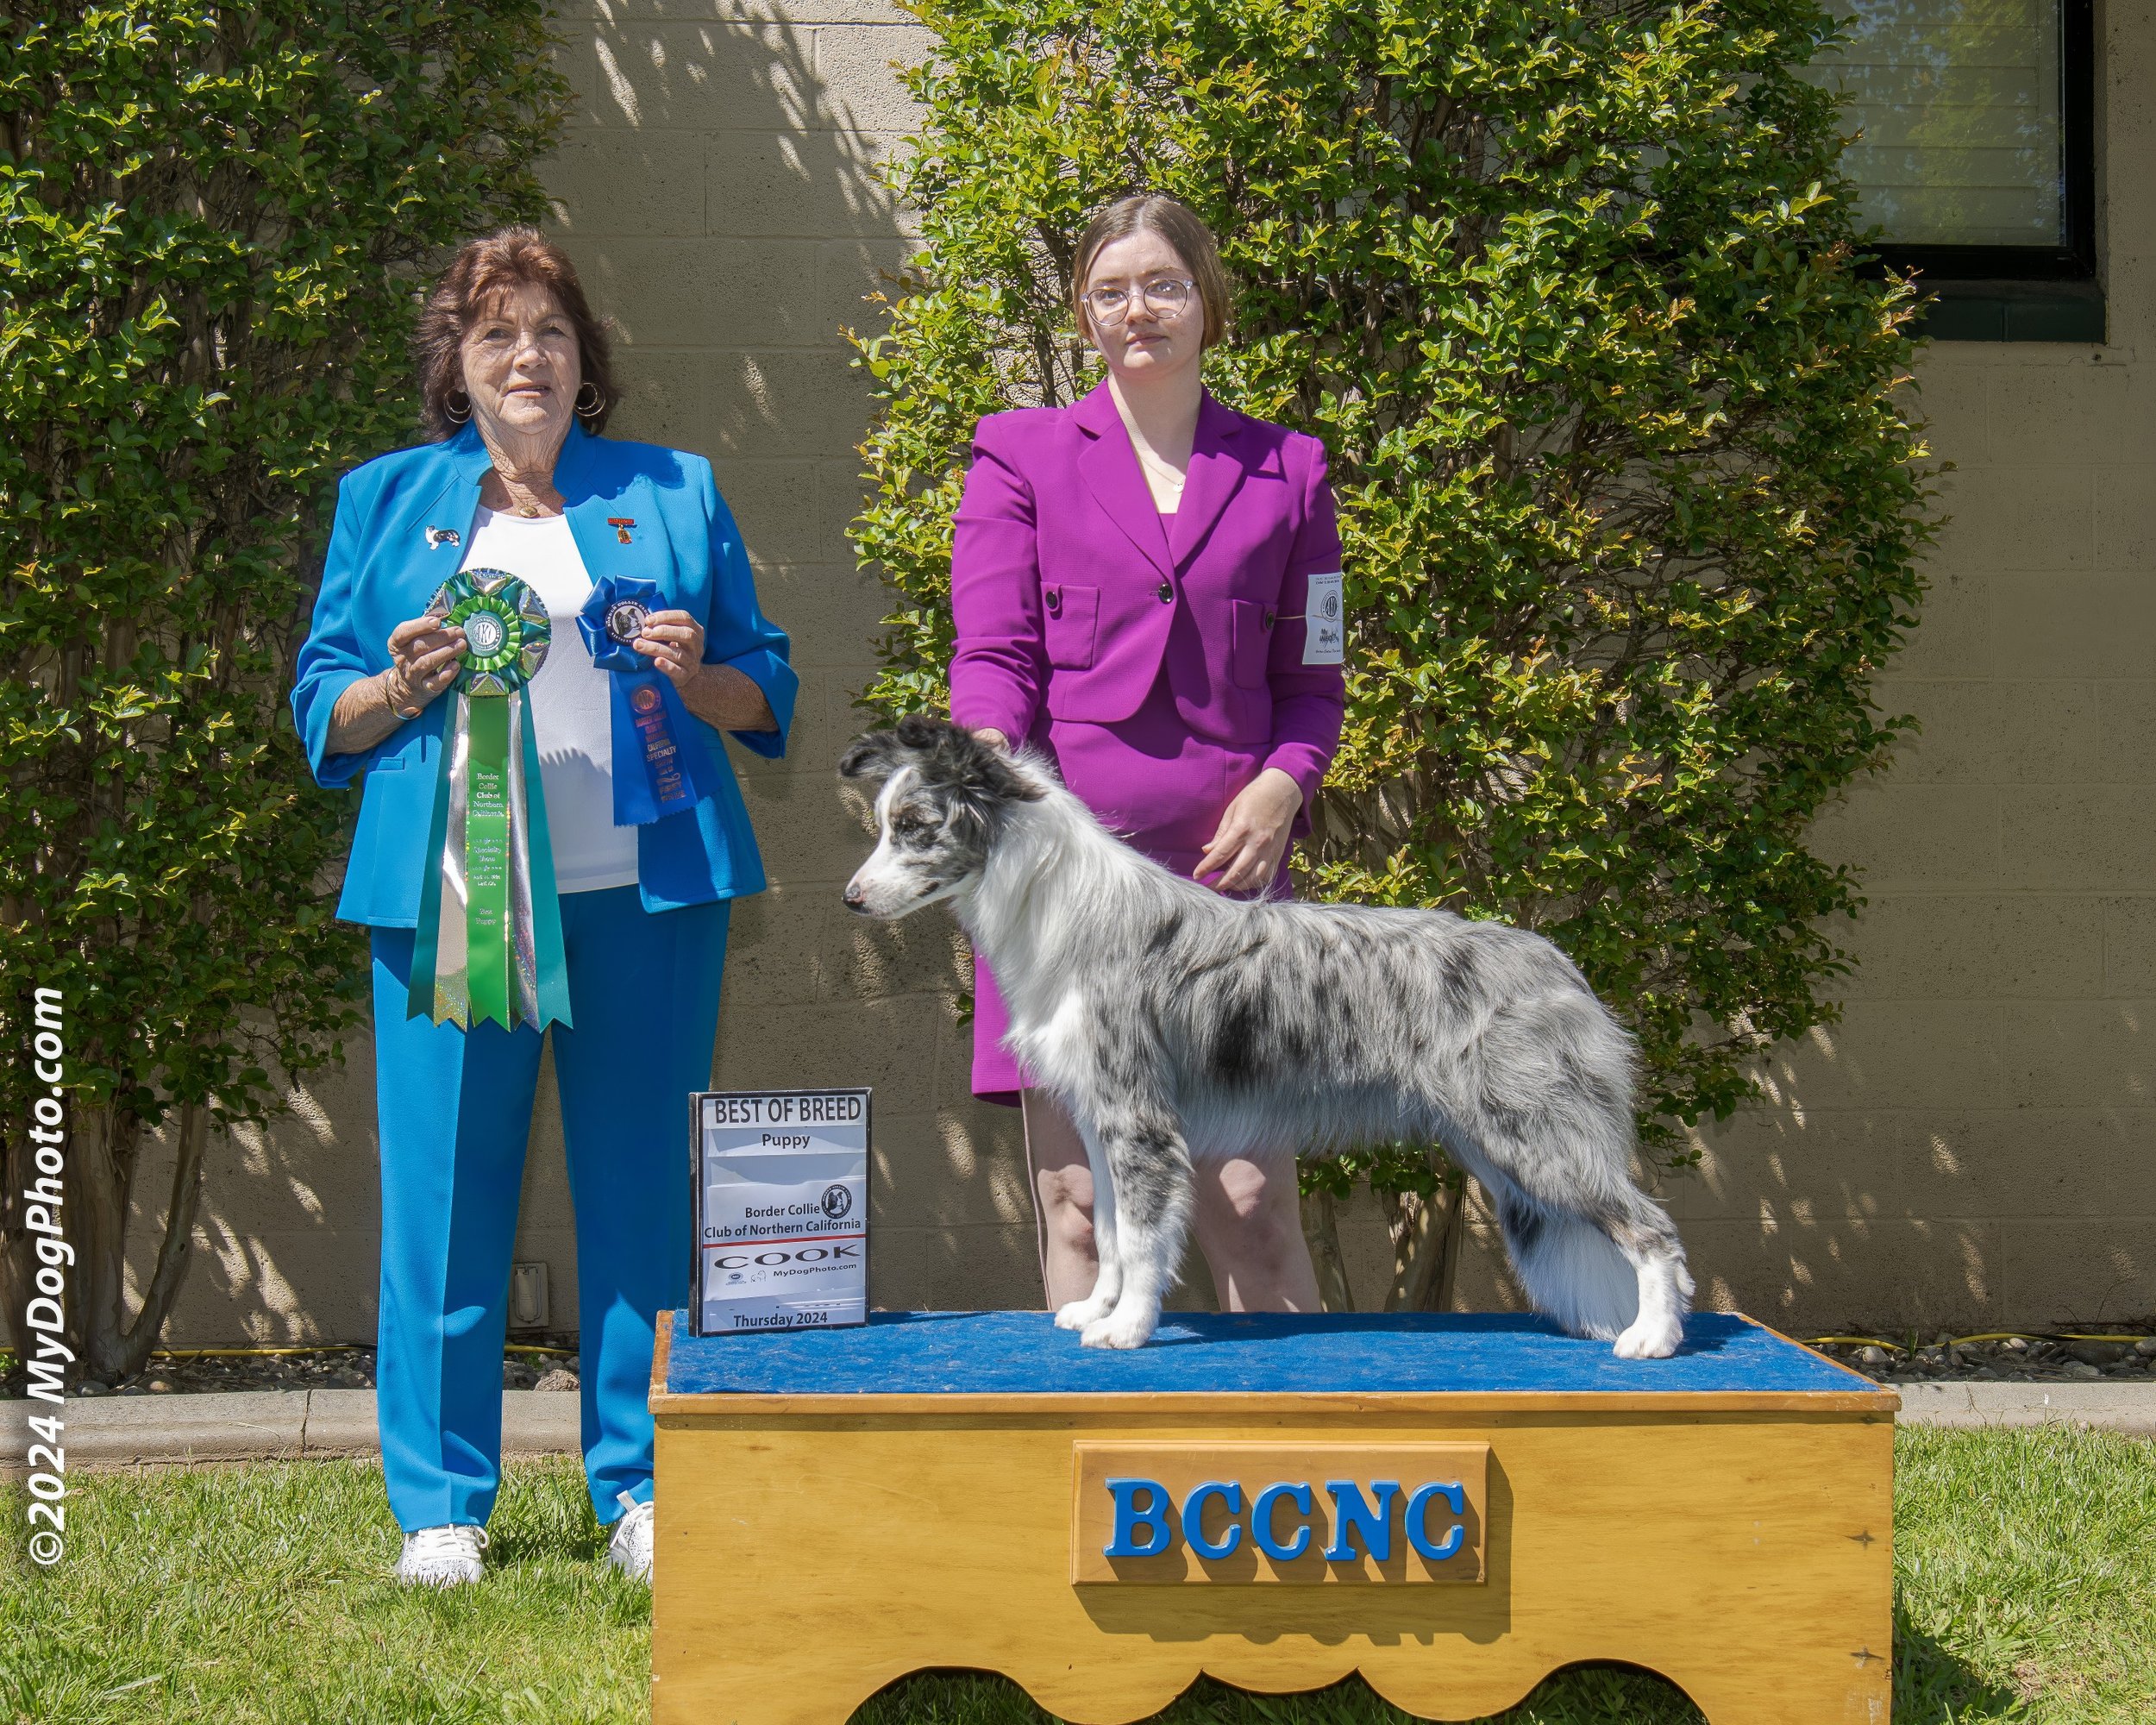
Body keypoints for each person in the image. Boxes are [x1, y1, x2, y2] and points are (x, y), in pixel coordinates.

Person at [291, 228, 794, 1588]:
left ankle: (640, 1491)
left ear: (589, 364)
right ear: (458, 366)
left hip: (651, 897)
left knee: (641, 1206)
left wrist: (703, 678)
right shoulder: (389, 502)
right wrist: (399, 688)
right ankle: (443, 1509)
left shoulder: (674, 491)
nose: (531, 356)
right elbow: (319, 705)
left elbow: (768, 698)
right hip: (448, 905)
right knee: (445, 1203)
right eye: (499, 333)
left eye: (554, 333)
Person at [949, 194, 1345, 1317]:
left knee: (1251, 1202)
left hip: (1226, 895)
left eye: (1163, 285)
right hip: (1062, 892)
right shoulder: (1018, 455)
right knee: (1081, 1198)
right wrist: (988, 768)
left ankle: (1303, 1481)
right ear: (1084, 312)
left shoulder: (1292, 472)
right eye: (1112, 290)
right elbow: (992, 657)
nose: (1139, 311)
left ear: (1207, 303)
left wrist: (1284, 782)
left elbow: (1314, 688)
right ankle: (1094, 1484)